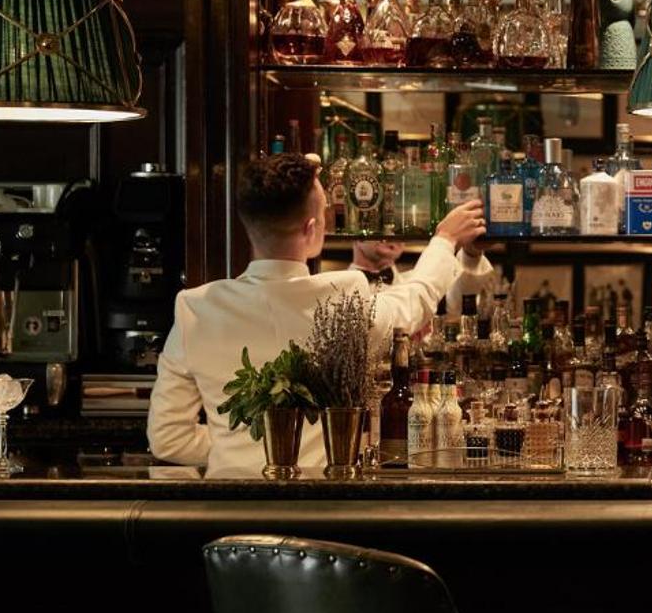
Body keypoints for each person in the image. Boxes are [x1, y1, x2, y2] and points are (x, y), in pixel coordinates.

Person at [147, 153, 493, 474]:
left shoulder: (195, 307)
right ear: (312, 229)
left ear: (248, 224)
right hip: (322, 507)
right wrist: (445, 239)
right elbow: (415, 301)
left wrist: (237, 446)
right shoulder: (345, 293)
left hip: (228, 511)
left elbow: (168, 438)